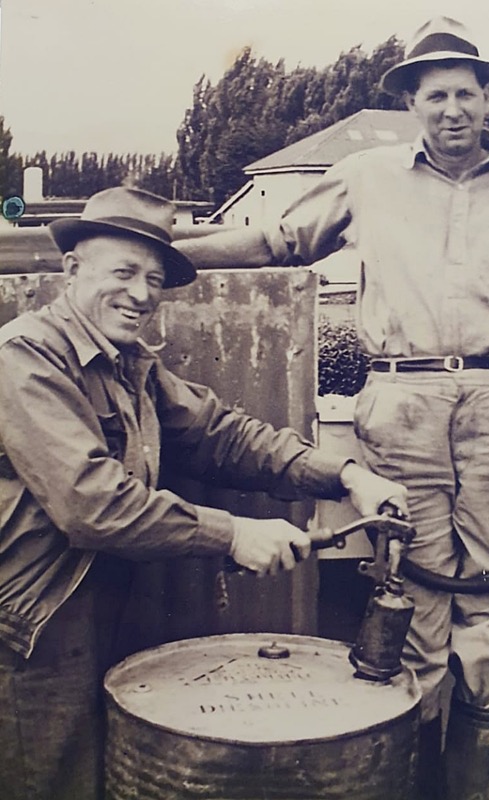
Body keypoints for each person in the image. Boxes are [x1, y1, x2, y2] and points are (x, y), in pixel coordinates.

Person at [175, 16, 489, 800]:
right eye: (436, 95)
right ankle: (411, 764)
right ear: (412, 103)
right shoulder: (366, 178)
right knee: (409, 588)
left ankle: (474, 777)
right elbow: (276, 241)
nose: (452, 109)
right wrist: (165, 255)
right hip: (402, 402)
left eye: (466, 93)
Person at [0, 185, 408, 800]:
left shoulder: (129, 362)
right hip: (34, 627)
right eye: (124, 273)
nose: (142, 294)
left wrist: (347, 475)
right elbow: (93, 504)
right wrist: (234, 534)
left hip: (100, 608)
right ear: (73, 269)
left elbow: (222, 436)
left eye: (154, 280)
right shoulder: (25, 357)